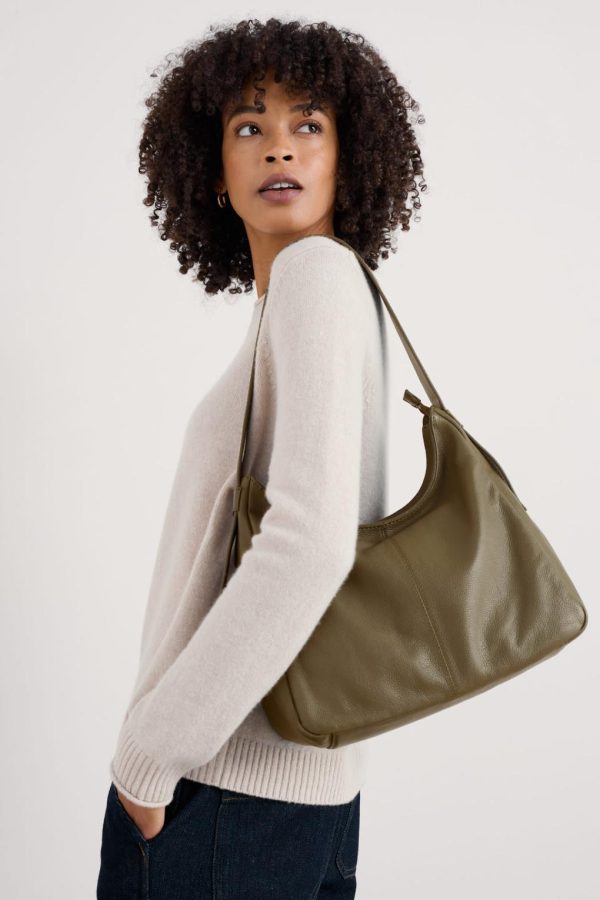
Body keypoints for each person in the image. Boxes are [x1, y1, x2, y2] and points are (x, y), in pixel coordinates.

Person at [97, 16, 426, 899]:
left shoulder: (315, 279)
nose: (278, 146)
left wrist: (152, 755)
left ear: (350, 156)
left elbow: (310, 544)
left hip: (221, 794)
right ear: (213, 169)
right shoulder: (324, 291)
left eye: (308, 123)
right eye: (249, 126)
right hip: (293, 798)